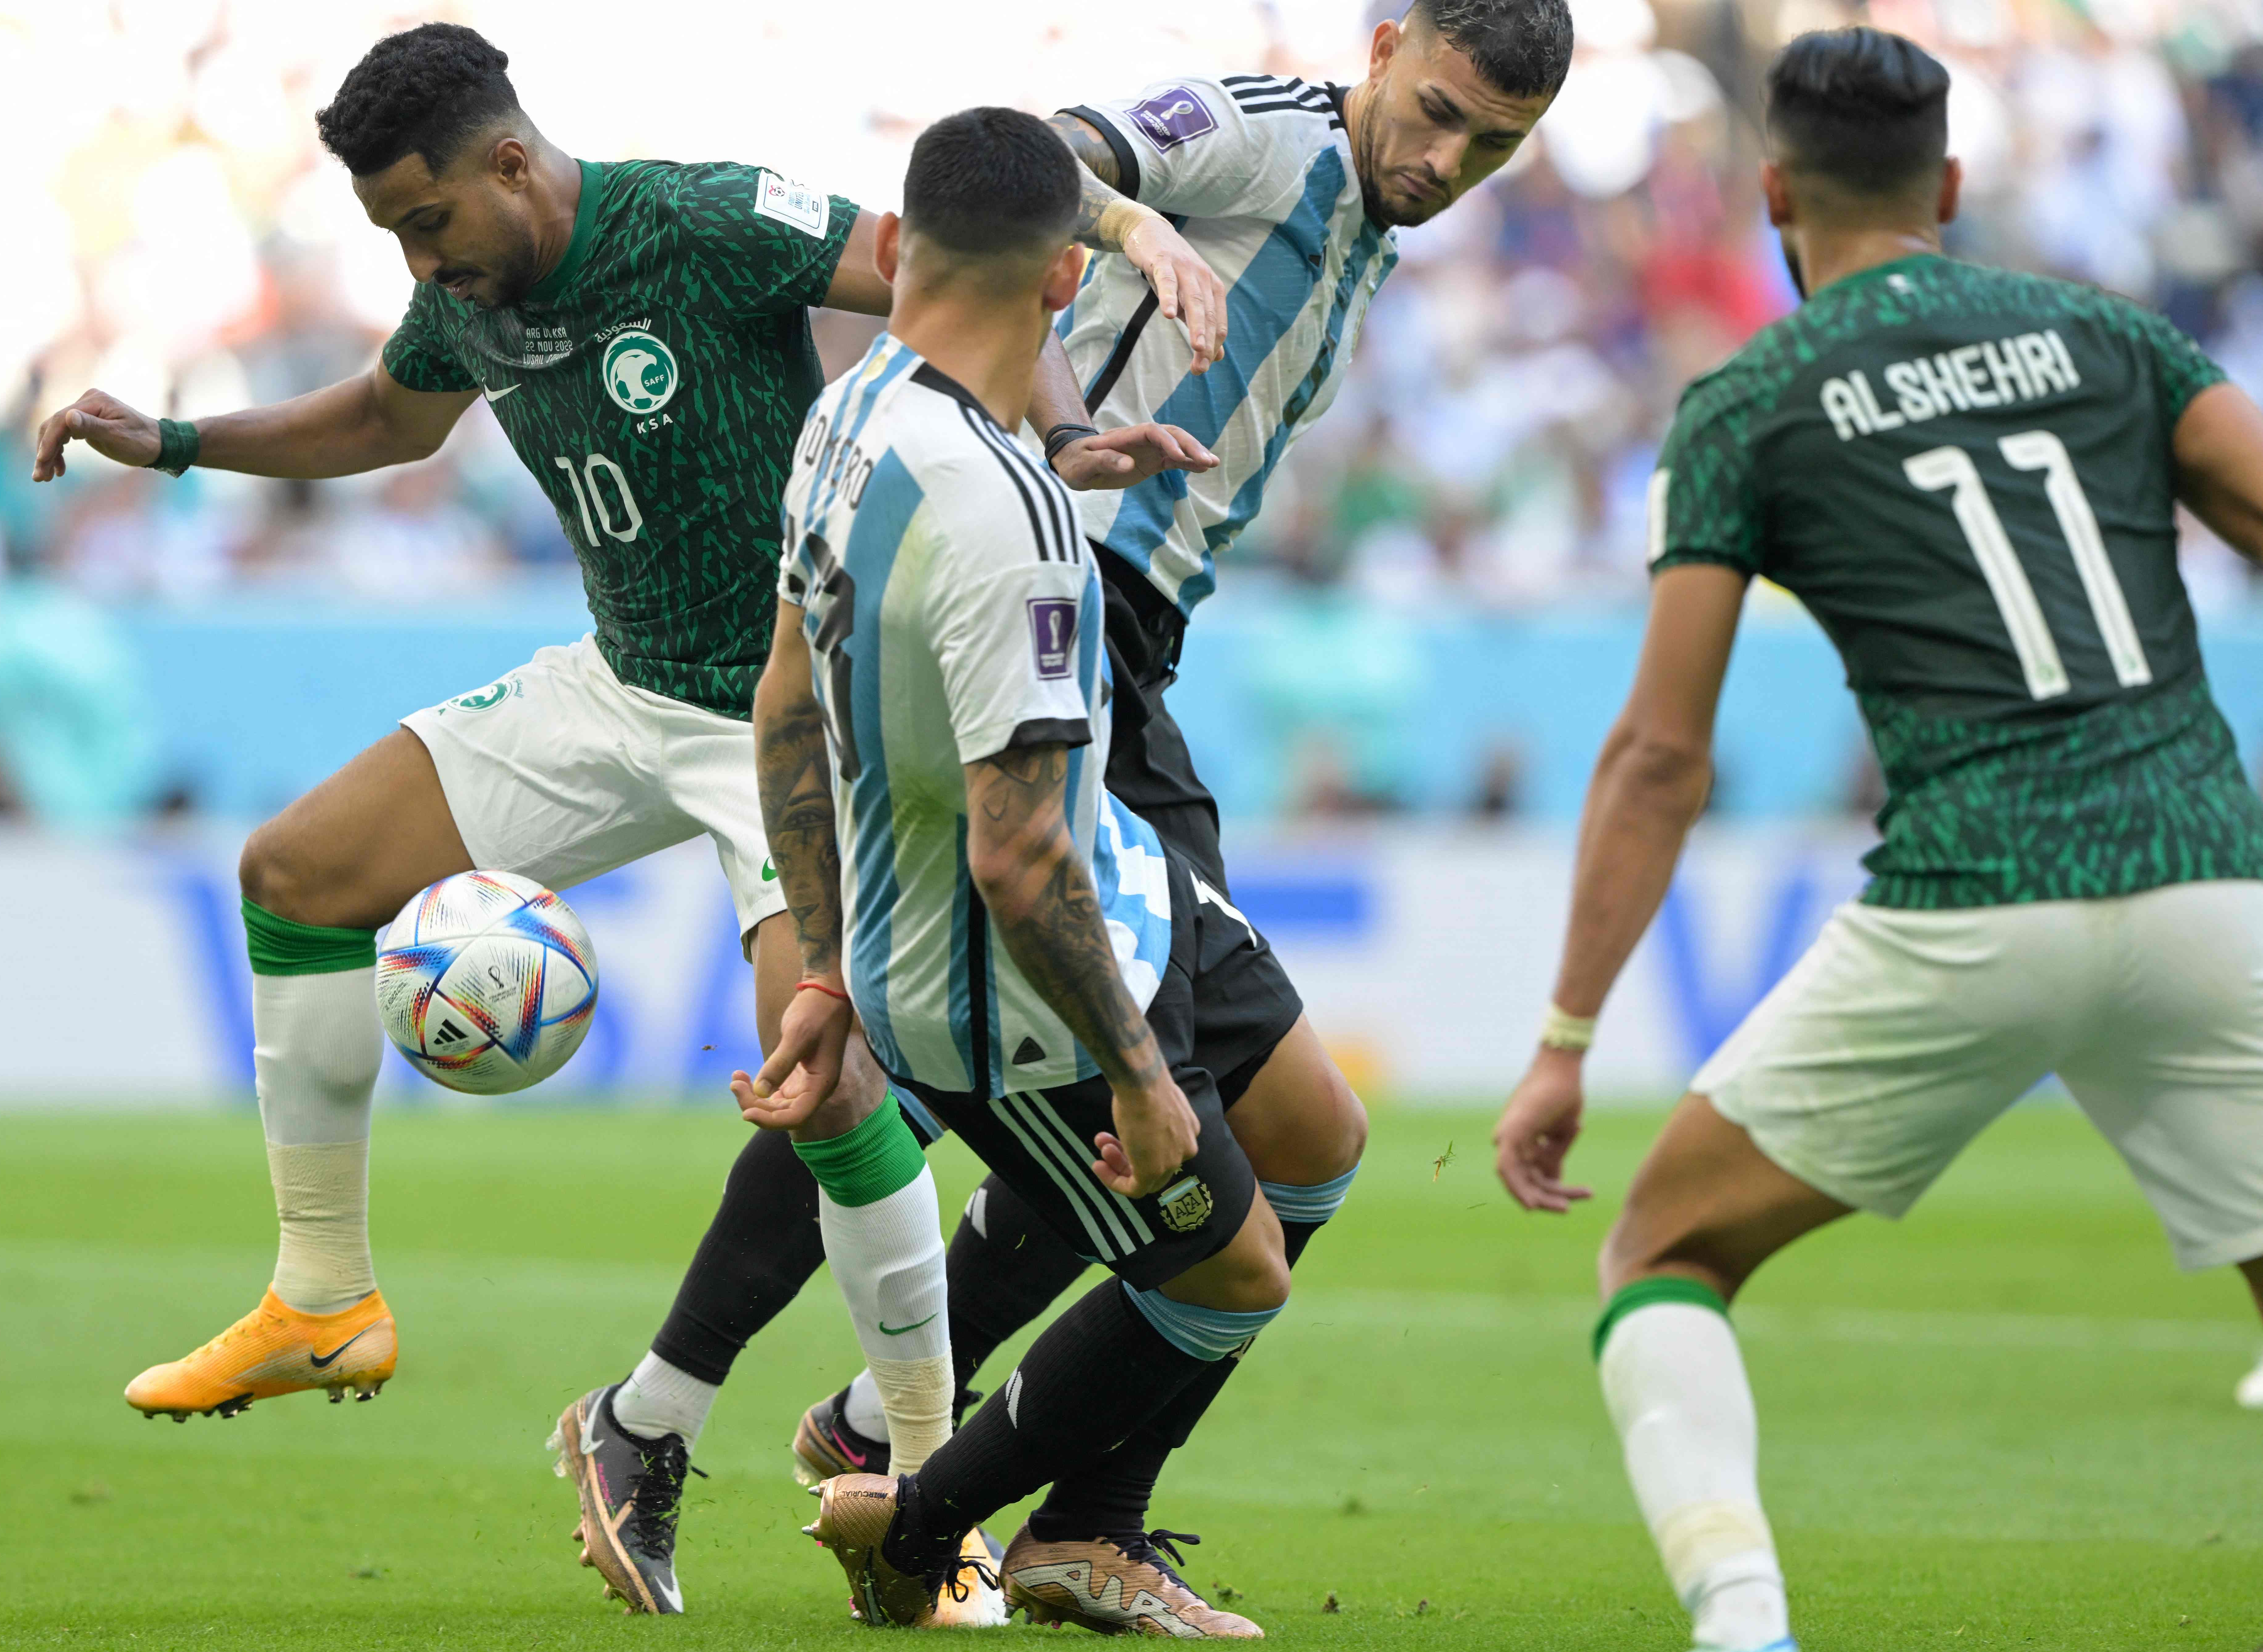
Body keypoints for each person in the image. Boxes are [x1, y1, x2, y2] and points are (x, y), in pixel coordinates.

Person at [26, 21, 1206, 1616]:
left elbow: (941, 268)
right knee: (294, 873)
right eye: (391, 233)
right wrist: (172, 441)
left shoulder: (702, 221)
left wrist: (1054, 431)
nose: (417, 258)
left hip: (781, 714)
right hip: (617, 687)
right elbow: (388, 416)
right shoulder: (471, 291)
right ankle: (321, 1298)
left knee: (835, 1083)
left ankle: (933, 1501)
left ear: (510, 163)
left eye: (427, 221)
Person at [1489, 29, 2263, 1652]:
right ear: (1954, 186)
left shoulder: (1750, 402)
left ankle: (1744, 1624)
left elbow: (1655, 756)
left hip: (1968, 899)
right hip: (2200, 875)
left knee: (1662, 1246)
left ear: (1771, 190)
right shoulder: (2109, 336)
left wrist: (1564, 1039)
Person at [788, 0, 1571, 1550]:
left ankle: (919, 1441)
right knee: (1254, 1136)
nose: (1444, 157)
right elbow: (1038, 159)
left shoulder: (1363, 227)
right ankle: (986, 1498)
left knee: (1224, 1128)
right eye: (1433, 107)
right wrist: (1141, 224)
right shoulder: (1273, 127)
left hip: (1124, 642)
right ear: (1382, 39)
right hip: (1056, 611)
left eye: (1492, 142)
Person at [759, 106, 1319, 1636]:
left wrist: (815, 962)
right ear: (1071, 286)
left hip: (1112, 889)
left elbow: (781, 709)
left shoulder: (850, 413)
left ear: (893, 252)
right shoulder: (1010, 527)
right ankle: (927, 1526)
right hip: (1011, 998)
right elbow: (1014, 855)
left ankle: (1044, 1503)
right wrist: (1135, 1074)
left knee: (1315, 1134)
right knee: (1236, 1276)